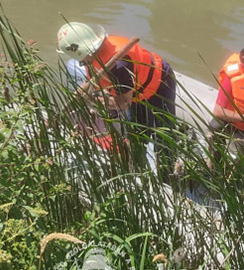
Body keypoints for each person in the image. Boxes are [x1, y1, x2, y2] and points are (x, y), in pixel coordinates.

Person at [56, 22, 176, 171]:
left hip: (159, 84)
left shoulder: (118, 64)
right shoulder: (92, 55)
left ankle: (168, 174)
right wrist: (76, 99)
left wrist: (95, 100)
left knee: (164, 134)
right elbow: (92, 82)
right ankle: (138, 170)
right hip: (135, 90)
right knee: (136, 134)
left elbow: (124, 103)